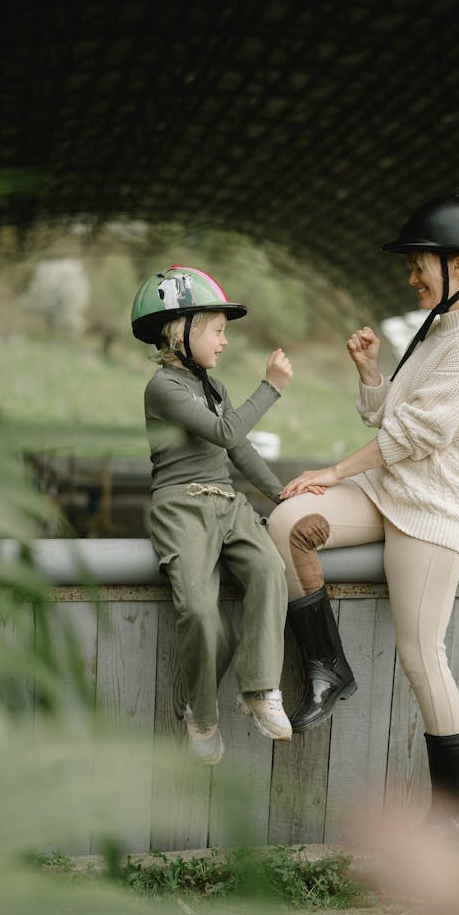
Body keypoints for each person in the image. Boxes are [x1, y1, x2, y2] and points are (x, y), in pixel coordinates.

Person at [267, 196, 459, 842]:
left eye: (419, 264)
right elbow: (393, 417)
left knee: (421, 653)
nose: (411, 277)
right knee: (287, 521)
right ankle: (328, 666)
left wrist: (336, 470)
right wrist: (373, 373)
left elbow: (420, 434)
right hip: (388, 485)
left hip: (432, 506)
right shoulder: (437, 328)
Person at [131, 264, 294, 764]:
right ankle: (200, 714)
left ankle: (260, 689)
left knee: (270, 569)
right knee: (202, 615)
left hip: (228, 503)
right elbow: (223, 435)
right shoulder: (165, 388)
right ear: (182, 330)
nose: (224, 341)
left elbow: (239, 450)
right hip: (182, 505)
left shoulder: (216, 389)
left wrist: (280, 495)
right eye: (218, 330)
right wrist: (270, 387)